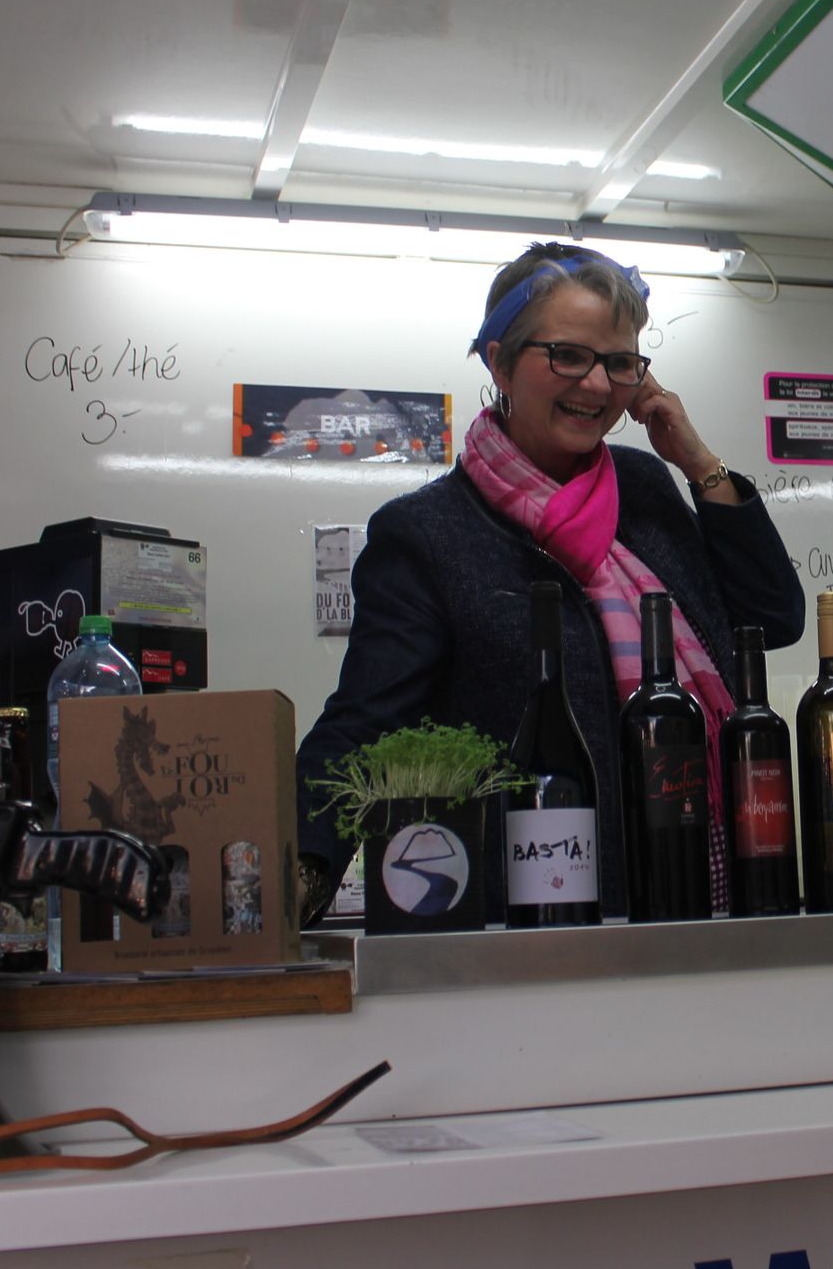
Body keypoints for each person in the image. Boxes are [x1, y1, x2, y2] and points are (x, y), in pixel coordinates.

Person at [295, 242, 805, 916]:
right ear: (499, 362)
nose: (595, 385)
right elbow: (363, 725)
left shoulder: (644, 488)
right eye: (567, 355)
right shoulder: (427, 534)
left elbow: (771, 619)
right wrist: (295, 875)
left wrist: (699, 462)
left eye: (619, 363)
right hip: (540, 917)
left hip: (706, 899)